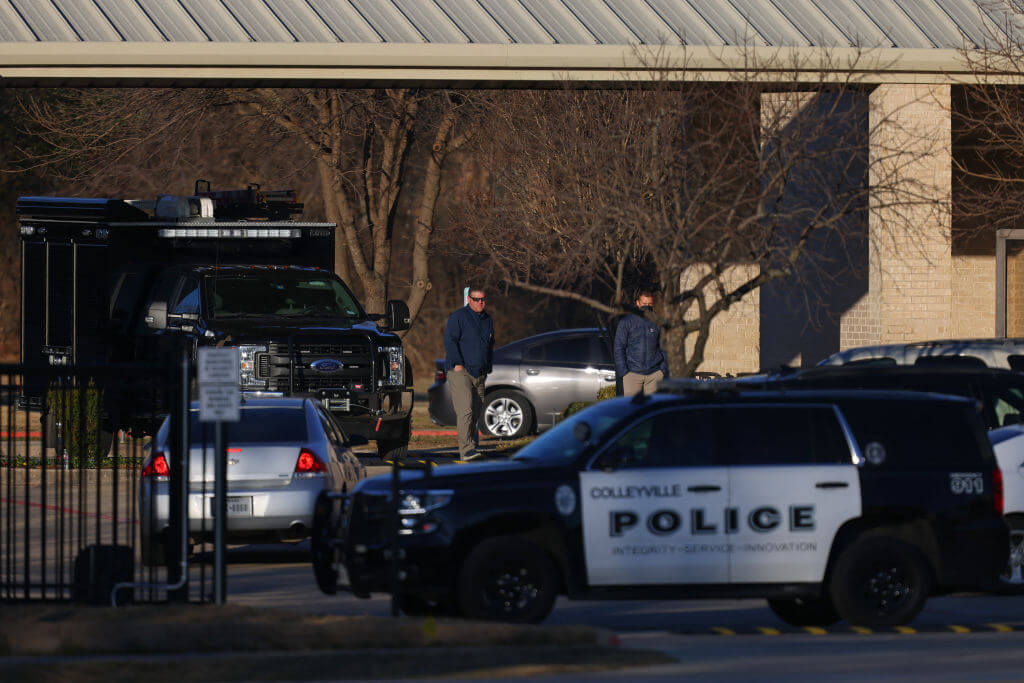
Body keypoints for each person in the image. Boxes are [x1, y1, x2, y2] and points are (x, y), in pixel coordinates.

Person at [444, 287, 494, 460]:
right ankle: (466, 450)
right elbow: (450, 340)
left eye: (483, 299)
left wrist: (488, 367)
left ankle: (472, 445)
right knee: (465, 410)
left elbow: (490, 344)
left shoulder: (487, 320)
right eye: (476, 299)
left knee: (476, 411)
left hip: (479, 372)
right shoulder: (459, 317)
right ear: (469, 299)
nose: (480, 302)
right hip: (461, 371)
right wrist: (458, 364)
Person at [614, 288, 669, 396]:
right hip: (632, 374)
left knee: (653, 409)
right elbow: (619, 347)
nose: (646, 307)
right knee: (633, 409)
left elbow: (665, 347)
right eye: (644, 304)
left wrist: (662, 370)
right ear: (637, 303)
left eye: (649, 304)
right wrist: (624, 372)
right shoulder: (626, 321)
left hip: (655, 374)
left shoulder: (658, 321)